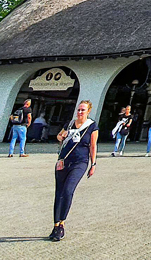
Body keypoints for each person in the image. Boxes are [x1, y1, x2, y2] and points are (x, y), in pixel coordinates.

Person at [50, 100, 98, 242]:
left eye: (83, 110)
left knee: (68, 190)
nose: (80, 112)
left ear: (88, 111)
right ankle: (55, 225)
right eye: (79, 109)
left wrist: (93, 164)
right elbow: (59, 136)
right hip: (63, 161)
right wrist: (61, 137)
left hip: (80, 162)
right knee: (59, 193)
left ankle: (62, 223)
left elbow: (93, 145)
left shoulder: (92, 126)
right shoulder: (70, 124)